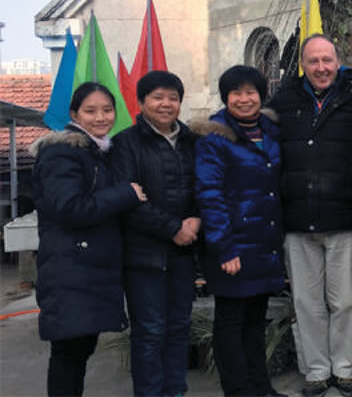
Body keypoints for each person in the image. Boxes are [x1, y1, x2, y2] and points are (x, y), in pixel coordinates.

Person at [30, 82, 147, 396]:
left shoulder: (96, 151)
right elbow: (70, 208)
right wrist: (125, 194)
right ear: (74, 114)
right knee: (69, 353)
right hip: (70, 268)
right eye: (91, 111)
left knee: (79, 349)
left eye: (107, 110)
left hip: (86, 268)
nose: (101, 117)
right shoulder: (62, 152)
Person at [267, 33, 352, 397]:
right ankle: (316, 371)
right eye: (314, 61)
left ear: (337, 61)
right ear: (303, 65)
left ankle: (346, 369)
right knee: (306, 303)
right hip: (297, 219)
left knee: (345, 302)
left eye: (328, 60)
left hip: (343, 217)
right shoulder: (283, 101)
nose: (321, 68)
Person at [192, 65, 286, 397]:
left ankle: (261, 386)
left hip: (263, 241)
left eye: (251, 92)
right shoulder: (214, 137)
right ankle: (238, 389)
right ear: (226, 97)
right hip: (233, 244)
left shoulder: (270, 130)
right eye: (236, 93)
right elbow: (210, 194)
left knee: (255, 321)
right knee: (231, 321)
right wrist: (224, 248)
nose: (245, 99)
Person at [110, 70, 199, 397]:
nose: (166, 104)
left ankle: (175, 391)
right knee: (149, 332)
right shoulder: (124, 144)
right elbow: (128, 201)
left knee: (179, 328)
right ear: (142, 101)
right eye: (158, 97)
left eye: (173, 98)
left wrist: (196, 220)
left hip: (183, 253)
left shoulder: (191, 141)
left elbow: (204, 188)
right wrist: (173, 227)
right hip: (143, 255)